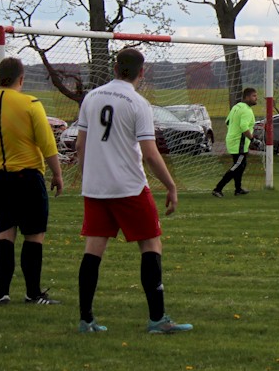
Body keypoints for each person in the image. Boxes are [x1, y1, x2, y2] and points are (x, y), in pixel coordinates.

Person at [75, 48, 192, 334]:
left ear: (115, 68)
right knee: (151, 244)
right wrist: (171, 185)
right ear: (142, 72)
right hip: (128, 186)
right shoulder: (138, 103)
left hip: (96, 187)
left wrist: (87, 176)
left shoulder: (91, 97)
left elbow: (80, 145)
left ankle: (86, 319)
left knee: (93, 250)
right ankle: (157, 319)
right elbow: (150, 153)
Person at [0, 57, 64, 306]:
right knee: (34, 235)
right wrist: (57, 173)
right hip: (27, 177)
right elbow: (47, 143)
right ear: (21, 79)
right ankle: (33, 293)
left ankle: (2, 294)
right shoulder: (31, 104)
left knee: (4, 234)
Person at [213, 88, 258, 197]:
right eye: (254, 96)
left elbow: (227, 122)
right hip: (239, 144)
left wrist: (233, 132)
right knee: (237, 166)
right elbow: (243, 127)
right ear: (247, 97)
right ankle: (218, 189)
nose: (256, 98)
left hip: (233, 141)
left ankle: (238, 189)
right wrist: (253, 139)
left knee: (241, 165)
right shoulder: (246, 110)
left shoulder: (236, 107)